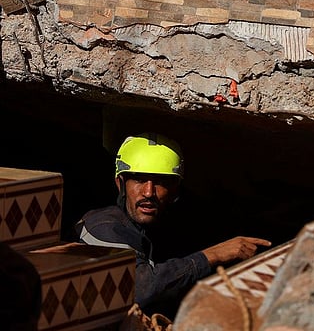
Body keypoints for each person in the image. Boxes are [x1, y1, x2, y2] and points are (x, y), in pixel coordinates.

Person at [75, 132, 271, 319]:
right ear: (120, 183)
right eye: (140, 180)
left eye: (160, 182)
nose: (149, 192)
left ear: (175, 189)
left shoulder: (161, 225)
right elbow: (138, 288)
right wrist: (213, 255)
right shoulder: (101, 227)